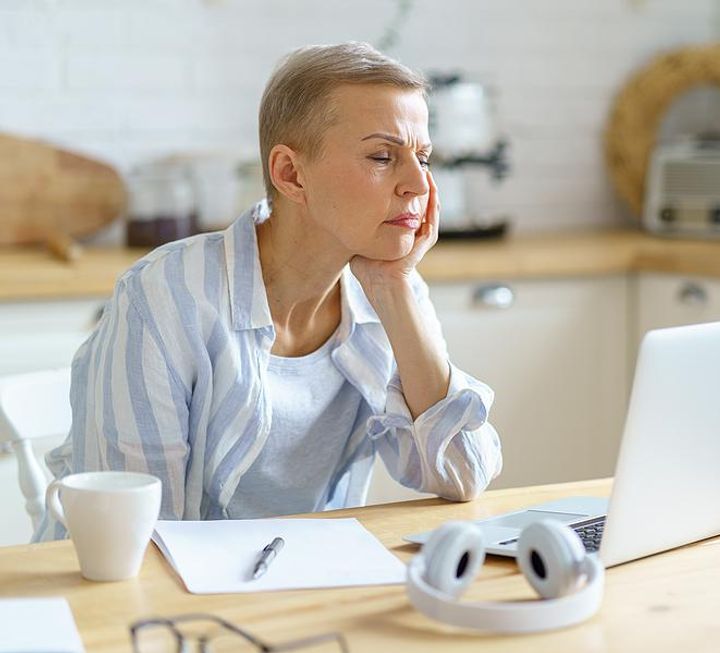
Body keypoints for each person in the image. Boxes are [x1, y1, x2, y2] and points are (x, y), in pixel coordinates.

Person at [34, 42, 502, 541]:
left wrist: (398, 287)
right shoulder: (168, 297)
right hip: (155, 600)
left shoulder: (385, 288)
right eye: (383, 156)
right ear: (290, 174)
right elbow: (132, 536)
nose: (419, 184)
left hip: (295, 581)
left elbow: (464, 476)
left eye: (424, 157)